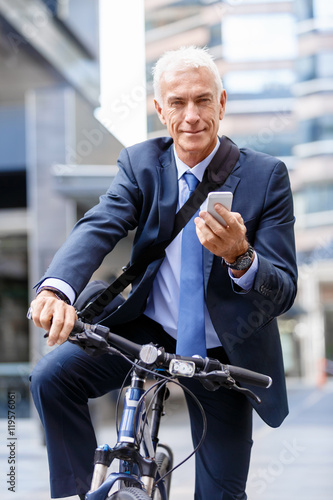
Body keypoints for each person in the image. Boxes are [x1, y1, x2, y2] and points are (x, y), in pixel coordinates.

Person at [29, 46, 297, 500]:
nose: (191, 115)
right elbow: (100, 225)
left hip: (224, 350)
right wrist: (57, 289)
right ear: (160, 109)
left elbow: (285, 290)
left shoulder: (266, 177)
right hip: (147, 328)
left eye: (202, 100)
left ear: (222, 104)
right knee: (51, 379)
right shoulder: (140, 164)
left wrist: (241, 257)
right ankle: (76, 492)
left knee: (221, 495)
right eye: (177, 102)